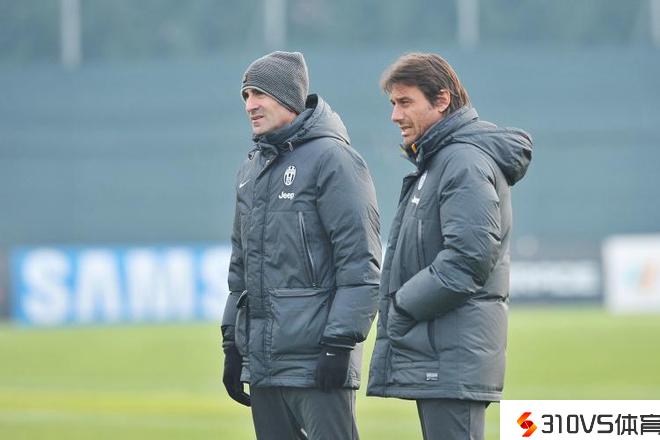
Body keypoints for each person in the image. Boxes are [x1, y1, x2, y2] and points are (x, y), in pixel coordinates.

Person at [367, 53, 533, 440]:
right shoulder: (441, 160)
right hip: (441, 354)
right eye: (393, 103)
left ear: (441, 100)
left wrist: (402, 305)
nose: (395, 115)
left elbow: (467, 260)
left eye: (405, 102)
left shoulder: (463, 162)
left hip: (452, 357)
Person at [221, 51, 381, 440]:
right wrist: (232, 344)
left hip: (318, 364)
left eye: (260, 93)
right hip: (264, 367)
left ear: (288, 97)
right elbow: (241, 268)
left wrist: (339, 344)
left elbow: (360, 265)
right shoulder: (251, 169)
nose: (250, 105)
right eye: (246, 95)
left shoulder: (335, 160)